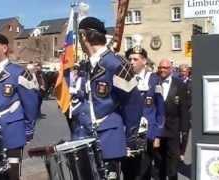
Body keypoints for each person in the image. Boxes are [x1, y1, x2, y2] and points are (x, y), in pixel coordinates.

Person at [70, 17, 143, 179]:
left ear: (83, 36)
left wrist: (130, 140)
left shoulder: (116, 64)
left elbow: (133, 104)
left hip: (107, 139)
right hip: (83, 137)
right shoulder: (85, 65)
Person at [0, 22, 40, 180]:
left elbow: (31, 104)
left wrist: (28, 129)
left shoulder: (18, 72)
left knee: (12, 175)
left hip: (12, 132)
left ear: (4, 48)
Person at [122, 41, 165, 180]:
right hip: (128, 135)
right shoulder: (124, 79)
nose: (132, 62)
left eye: (135, 59)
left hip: (147, 135)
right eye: (130, 59)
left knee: (143, 173)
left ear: (144, 61)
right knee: (127, 171)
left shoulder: (154, 80)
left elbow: (160, 110)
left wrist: (158, 135)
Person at [156, 59, 190, 180]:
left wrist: (184, 131)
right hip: (157, 130)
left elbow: (184, 109)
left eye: (165, 68)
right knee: (159, 161)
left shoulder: (180, 84)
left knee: (172, 163)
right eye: (160, 67)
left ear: (171, 69)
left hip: (173, 129)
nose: (162, 70)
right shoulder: (154, 82)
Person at [178, 64, 192, 161]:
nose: (183, 73)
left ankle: (182, 152)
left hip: (186, 112)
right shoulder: (176, 82)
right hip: (176, 112)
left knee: (185, 134)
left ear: (188, 72)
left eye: (184, 71)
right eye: (181, 71)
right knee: (176, 133)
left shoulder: (191, 83)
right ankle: (177, 151)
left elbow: (192, 99)